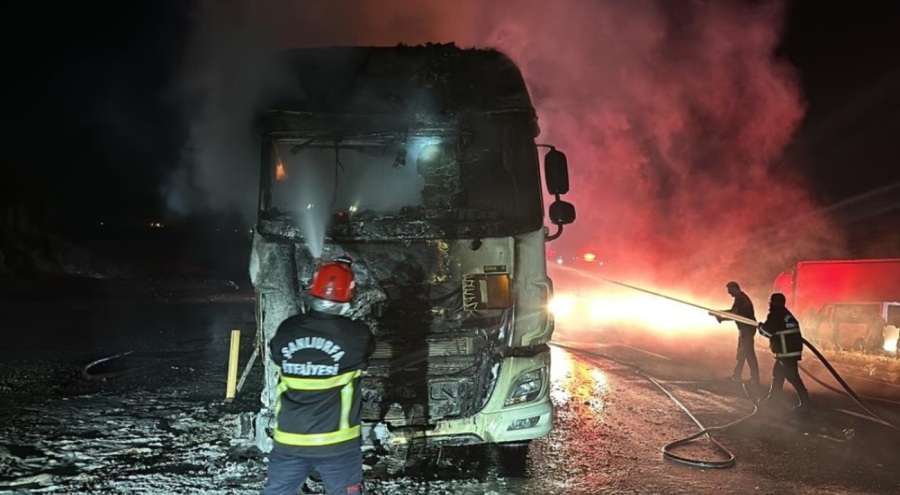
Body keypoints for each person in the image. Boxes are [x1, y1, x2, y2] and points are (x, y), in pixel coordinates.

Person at [262, 255, 375, 495]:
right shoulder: (356, 335)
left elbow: (276, 354)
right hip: (337, 446)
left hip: (289, 441)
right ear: (350, 294)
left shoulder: (288, 328)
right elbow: (367, 351)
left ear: (312, 289)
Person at [757, 292, 810, 413]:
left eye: (772, 301)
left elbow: (768, 332)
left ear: (777, 302)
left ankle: (805, 404)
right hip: (789, 352)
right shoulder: (786, 314)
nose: (770, 303)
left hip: (786, 353)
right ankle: (773, 400)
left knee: (793, 377)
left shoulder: (776, 314)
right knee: (778, 375)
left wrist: (760, 327)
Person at [711, 281, 759, 385]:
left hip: (747, 329)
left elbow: (734, 313)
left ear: (734, 288)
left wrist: (719, 313)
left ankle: (754, 378)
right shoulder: (741, 298)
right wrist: (721, 317)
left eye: (729, 290)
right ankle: (737, 375)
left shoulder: (741, 299)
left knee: (749, 353)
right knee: (742, 353)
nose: (729, 293)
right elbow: (736, 315)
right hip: (745, 329)